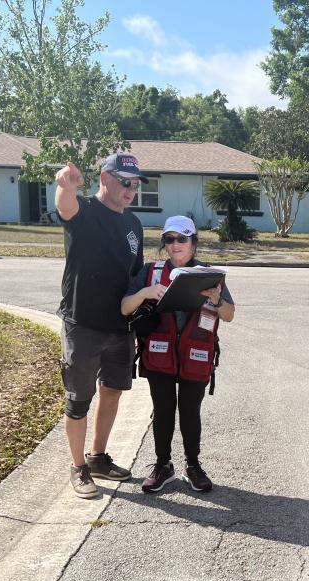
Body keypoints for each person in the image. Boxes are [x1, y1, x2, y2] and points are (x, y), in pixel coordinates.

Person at [55, 152, 147, 499]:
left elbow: (135, 276)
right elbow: (65, 206)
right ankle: (77, 467)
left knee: (112, 391)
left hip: (120, 326)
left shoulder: (134, 224)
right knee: (79, 399)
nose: (131, 190)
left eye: (135, 185)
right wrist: (65, 186)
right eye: (125, 182)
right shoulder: (85, 213)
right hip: (83, 324)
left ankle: (97, 458)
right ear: (105, 179)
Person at [121, 215, 235, 494]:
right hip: (159, 353)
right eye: (169, 239)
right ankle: (163, 465)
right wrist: (146, 292)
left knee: (190, 412)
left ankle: (192, 465)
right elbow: (125, 307)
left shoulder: (210, 275)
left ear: (193, 243)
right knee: (162, 411)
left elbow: (229, 315)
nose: (175, 245)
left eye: (182, 239)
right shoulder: (150, 272)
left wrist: (216, 300)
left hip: (196, 355)